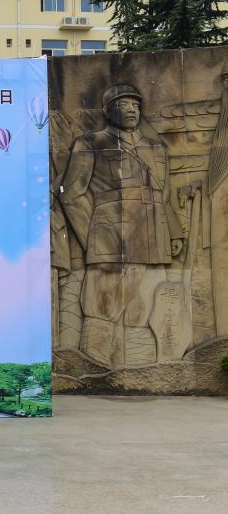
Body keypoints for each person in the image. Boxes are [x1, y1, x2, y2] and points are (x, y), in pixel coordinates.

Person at [60, 84, 184, 366]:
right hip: (110, 239)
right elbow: (71, 195)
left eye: (136, 105)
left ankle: (142, 372)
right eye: (123, 105)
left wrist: (173, 232)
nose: (131, 110)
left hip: (153, 237)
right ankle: (95, 369)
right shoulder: (91, 143)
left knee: (147, 307)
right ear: (107, 111)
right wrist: (93, 237)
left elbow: (163, 193)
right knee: (102, 308)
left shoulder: (154, 147)